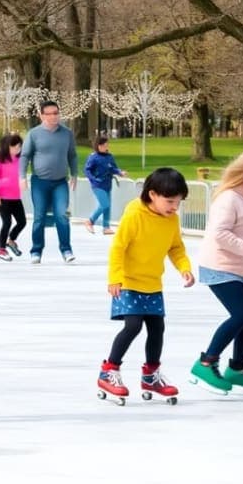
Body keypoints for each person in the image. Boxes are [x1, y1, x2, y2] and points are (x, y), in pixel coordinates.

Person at [96, 168, 193, 404]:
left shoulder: (172, 220)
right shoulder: (134, 215)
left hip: (152, 283)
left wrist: (184, 268)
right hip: (127, 281)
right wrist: (115, 278)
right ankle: (109, 370)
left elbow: (175, 247)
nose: (174, 207)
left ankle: (150, 375)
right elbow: (118, 247)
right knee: (133, 325)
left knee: (157, 328)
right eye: (170, 201)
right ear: (152, 194)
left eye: (178, 203)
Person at [189, 152, 243, 394]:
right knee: (241, 314)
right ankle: (205, 363)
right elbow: (219, 234)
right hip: (219, 265)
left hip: (242, 267)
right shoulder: (228, 199)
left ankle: (237, 369)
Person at [20, 100, 79, 264]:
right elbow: (25, 156)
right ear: (41, 115)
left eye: (56, 113)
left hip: (60, 182)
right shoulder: (34, 134)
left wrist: (74, 174)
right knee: (39, 216)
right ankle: (36, 250)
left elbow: (72, 155)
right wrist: (22, 177)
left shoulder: (67, 133)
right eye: (50, 114)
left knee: (62, 215)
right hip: (40, 182)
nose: (54, 116)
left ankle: (66, 249)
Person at [0, 134, 26, 262]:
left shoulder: (21, 159)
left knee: (22, 222)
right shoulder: (0, 160)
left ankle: (11, 240)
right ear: (7, 147)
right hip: (3, 198)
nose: (17, 149)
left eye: (19, 147)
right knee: (7, 222)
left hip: (16, 198)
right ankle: (1, 250)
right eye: (14, 147)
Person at [84, 136, 127, 235]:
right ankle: (90, 221)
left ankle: (106, 227)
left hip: (108, 184)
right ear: (98, 146)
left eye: (106, 145)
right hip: (97, 185)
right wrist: (93, 179)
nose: (105, 147)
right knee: (105, 204)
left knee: (107, 206)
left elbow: (113, 168)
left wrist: (120, 172)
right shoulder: (93, 157)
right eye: (103, 145)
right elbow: (87, 170)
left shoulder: (109, 156)